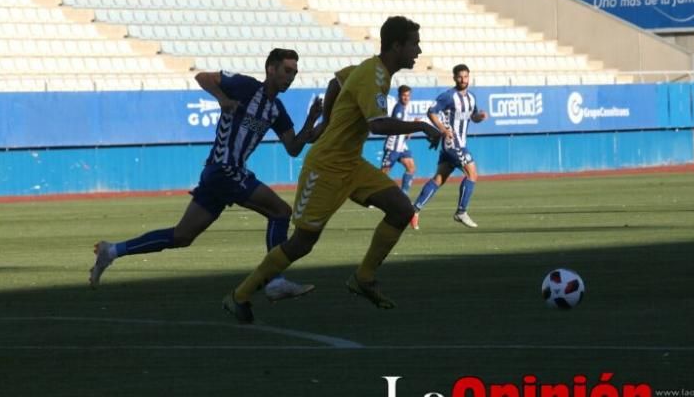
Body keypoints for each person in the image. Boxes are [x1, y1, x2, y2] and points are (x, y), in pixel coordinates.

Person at [223, 16, 446, 323]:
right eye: (414, 44)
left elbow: (336, 82)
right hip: (326, 167)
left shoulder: (372, 70)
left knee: (401, 209)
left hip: (350, 163)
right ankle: (239, 295)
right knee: (302, 242)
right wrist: (421, 125)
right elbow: (378, 124)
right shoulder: (374, 76)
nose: (418, 51)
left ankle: (363, 278)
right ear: (397, 46)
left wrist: (327, 121)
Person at [89, 48, 324, 302]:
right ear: (271, 69)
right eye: (287, 71)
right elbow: (203, 77)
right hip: (225, 169)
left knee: (182, 236)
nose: (290, 77)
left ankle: (111, 251)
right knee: (281, 212)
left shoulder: (276, 109)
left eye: (294, 73)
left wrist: (312, 120)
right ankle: (275, 280)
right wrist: (222, 98)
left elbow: (293, 147)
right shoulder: (245, 86)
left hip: (220, 175)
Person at [411, 63, 487, 229]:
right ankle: (461, 211)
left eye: (466, 76)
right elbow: (431, 112)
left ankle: (414, 210)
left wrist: (479, 116)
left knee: (439, 179)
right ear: (454, 78)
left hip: (454, 144)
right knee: (472, 174)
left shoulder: (472, 97)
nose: (463, 79)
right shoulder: (448, 96)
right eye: (460, 77)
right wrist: (443, 129)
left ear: (469, 77)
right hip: (453, 142)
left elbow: (472, 117)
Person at [380, 85, 417, 196]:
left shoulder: (405, 108)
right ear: (399, 96)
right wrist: (410, 129)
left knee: (411, 167)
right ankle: (373, 196)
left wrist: (410, 128)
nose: (406, 98)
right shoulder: (399, 109)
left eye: (408, 95)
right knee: (383, 173)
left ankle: (403, 194)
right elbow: (397, 127)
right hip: (393, 145)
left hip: (401, 145)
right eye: (404, 95)